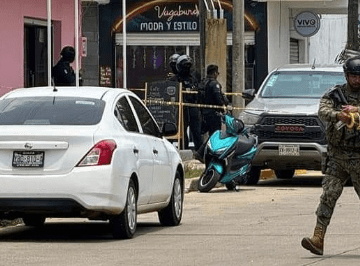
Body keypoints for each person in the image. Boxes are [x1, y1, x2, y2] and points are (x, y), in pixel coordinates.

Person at [301, 56, 360, 256]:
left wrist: (356, 111)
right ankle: (318, 238)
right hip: (337, 156)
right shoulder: (336, 94)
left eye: (359, 76)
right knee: (328, 196)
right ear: (346, 75)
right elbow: (323, 110)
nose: (357, 80)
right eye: (353, 76)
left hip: (359, 157)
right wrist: (338, 115)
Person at [176, 54, 202, 151]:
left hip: (193, 107)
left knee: (196, 131)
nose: (187, 68)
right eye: (185, 66)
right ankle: (184, 149)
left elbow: (198, 91)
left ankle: (199, 152)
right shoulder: (177, 79)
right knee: (182, 131)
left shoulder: (193, 78)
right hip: (182, 108)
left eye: (188, 66)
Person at [201, 64, 230, 136]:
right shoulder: (214, 84)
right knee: (215, 134)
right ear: (214, 73)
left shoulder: (203, 82)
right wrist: (223, 109)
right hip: (213, 113)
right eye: (217, 73)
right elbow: (218, 99)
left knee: (203, 134)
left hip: (203, 113)